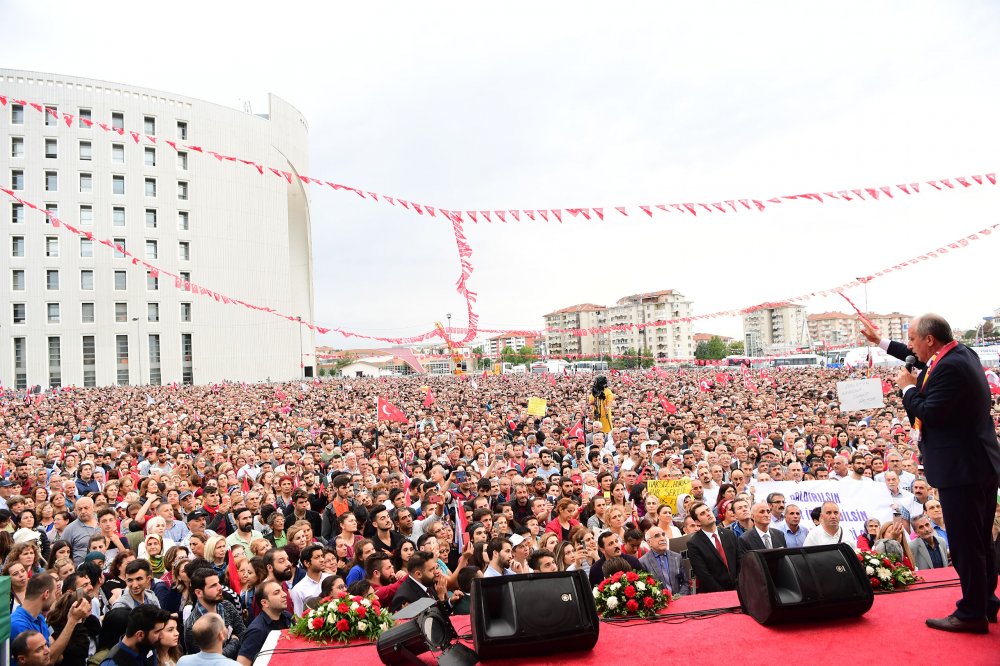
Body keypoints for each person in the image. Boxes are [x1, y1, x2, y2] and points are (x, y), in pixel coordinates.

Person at [867, 313, 1000, 632]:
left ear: (930, 340)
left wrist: (908, 390)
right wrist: (882, 343)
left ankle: (971, 614)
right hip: (979, 463)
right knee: (980, 540)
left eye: (913, 339)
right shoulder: (961, 353)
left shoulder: (950, 368)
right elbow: (920, 360)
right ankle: (986, 602)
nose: (910, 346)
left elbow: (931, 413)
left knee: (967, 544)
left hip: (962, 469)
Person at [11, 573, 90, 663]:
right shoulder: (18, 624)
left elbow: (58, 656)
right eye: (55, 593)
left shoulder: (39, 617)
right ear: (46, 594)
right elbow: (49, 660)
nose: (56, 598)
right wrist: (72, 620)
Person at [184, 569, 245, 659]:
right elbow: (209, 659)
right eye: (213, 586)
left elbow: (243, 634)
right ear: (199, 593)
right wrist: (234, 642)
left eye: (218, 583)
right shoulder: (193, 625)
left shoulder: (226, 606)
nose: (220, 587)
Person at [685, 502, 739, 592]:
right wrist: (722, 593)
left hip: (737, 589)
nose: (708, 514)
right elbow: (703, 574)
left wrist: (738, 586)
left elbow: (739, 561)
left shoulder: (729, 534)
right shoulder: (694, 543)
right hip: (715, 593)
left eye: (708, 510)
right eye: (702, 514)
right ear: (697, 522)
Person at [237, 581, 292, 666]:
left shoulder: (287, 617)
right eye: (277, 593)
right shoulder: (257, 630)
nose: (284, 594)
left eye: (282, 590)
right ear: (264, 603)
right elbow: (242, 663)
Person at [99, 604, 170, 666]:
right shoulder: (113, 663)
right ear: (140, 635)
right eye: (157, 632)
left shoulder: (148, 648)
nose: (162, 636)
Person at [639, 526, 690, 596]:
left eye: (663, 534)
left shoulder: (677, 557)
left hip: (679, 601)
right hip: (660, 604)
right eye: (657, 536)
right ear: (649, 542)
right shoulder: (643, 562)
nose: (662, 538)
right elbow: (645, 590)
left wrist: (679, 597)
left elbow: (685, 582)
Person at [289, 544, 329, 616]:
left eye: (322, 556)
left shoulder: (330, 578)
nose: (322, 560)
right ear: (307, 563)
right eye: (317, 557)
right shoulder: (298, 590)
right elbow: (299, 618)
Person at [62, 498, 101, 565]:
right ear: (76, 511)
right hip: (80, 570)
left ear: (93, 508)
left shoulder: (102, 521)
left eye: (86, 508)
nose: (83, 511)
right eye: (80, 509)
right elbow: (62, 551)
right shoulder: (70, 529)